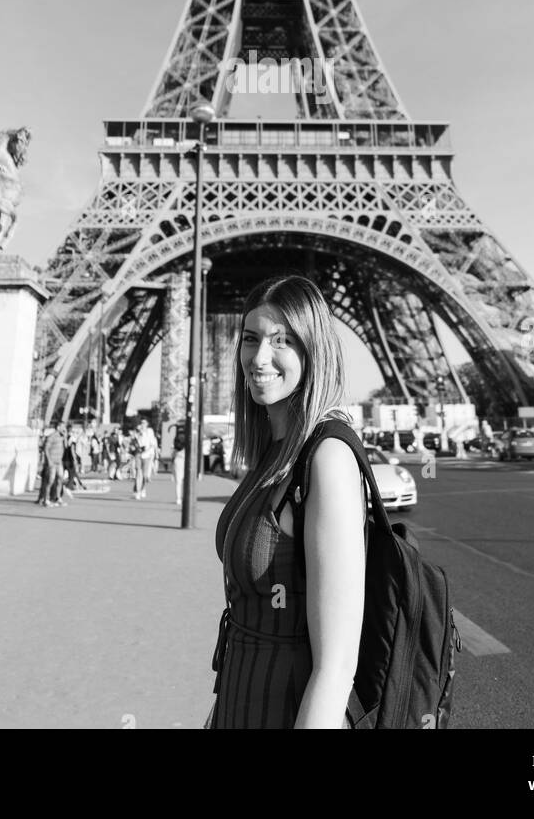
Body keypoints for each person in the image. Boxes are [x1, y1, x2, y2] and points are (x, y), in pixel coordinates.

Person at [210, 275, 367, 730]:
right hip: (239, 703)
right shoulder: (275, 452)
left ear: (313, 350)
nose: (259, 358)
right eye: (251, 339)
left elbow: (336, 666)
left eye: (282, 341)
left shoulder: (328, 456)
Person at [41, 422, 66, 507]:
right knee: (50, 481)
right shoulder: (52, 436)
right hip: (52, 462)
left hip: (59, 462)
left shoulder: (62, 437)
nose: (64, 428)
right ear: (58, 427)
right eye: (63, 427)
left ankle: (58, 498)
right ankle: (46, 499)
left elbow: (65, 446)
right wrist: (49, 461)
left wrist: (65, 436)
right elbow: (46, 448)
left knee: (60, 479)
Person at [172, 423, 187, 507]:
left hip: (178, 459)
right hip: (186, 460)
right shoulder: (188, 438)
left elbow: (175, 449)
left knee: (178, 481)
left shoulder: (176, 438)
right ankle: (183, 497)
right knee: (185, 481)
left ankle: (178, 498)